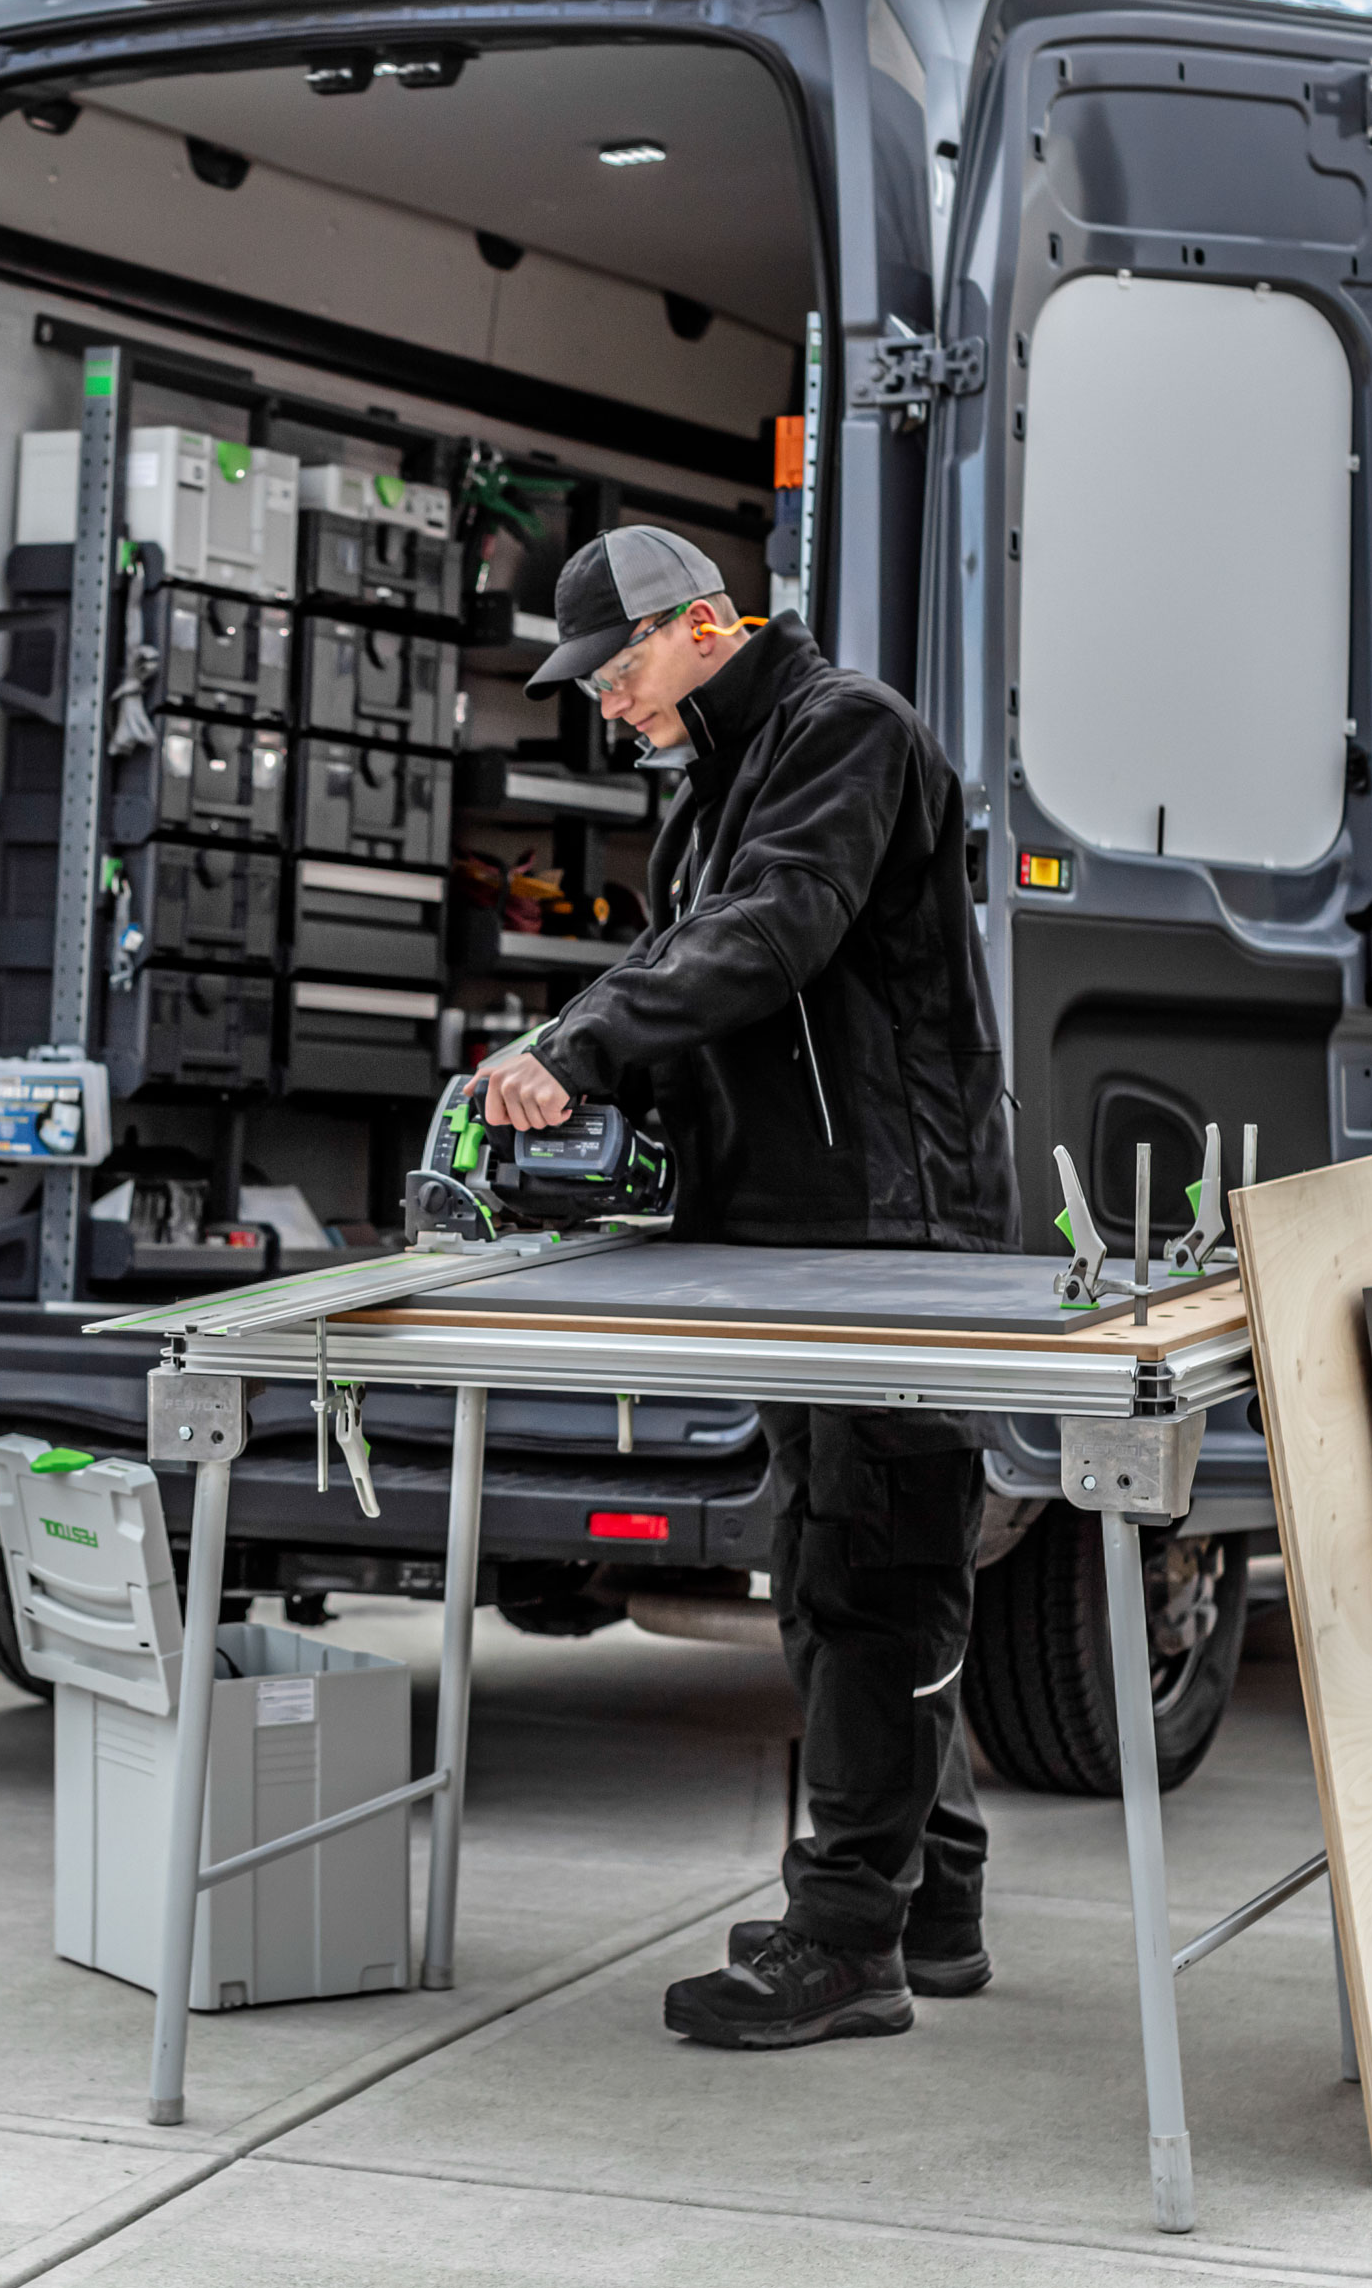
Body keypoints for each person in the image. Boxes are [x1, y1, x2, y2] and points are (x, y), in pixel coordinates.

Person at [475, 524, 1017, 2049]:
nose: (607, 703)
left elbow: (769, 932)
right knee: (844, 1549)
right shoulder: (718, 784)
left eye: (620, 667)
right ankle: (936, 1895)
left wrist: (572, 1046)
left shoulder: (843, 731)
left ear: (704, 622)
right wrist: (602, 1108)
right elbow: (713, 992)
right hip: (795, 1234)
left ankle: (848, 1937)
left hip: (890, 1231)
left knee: (870, 1568)